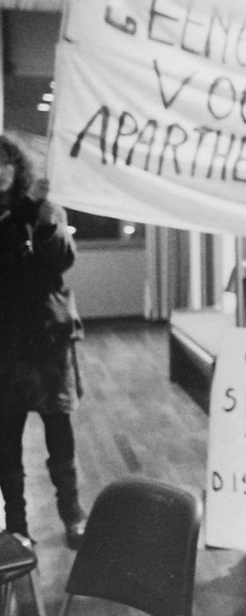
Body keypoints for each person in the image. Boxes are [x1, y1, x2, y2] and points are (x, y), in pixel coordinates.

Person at [0, 136, 89, 548]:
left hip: (47, 342)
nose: (1, 171)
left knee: (60, 435)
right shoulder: (18, 212)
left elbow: (62, 262)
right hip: (4, 346)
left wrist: (47, 221)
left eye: (7, 163)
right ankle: (17, 526)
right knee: (6, 443)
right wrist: (25, 211)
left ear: (19, 167)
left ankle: (72, 515)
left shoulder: (46, 209)